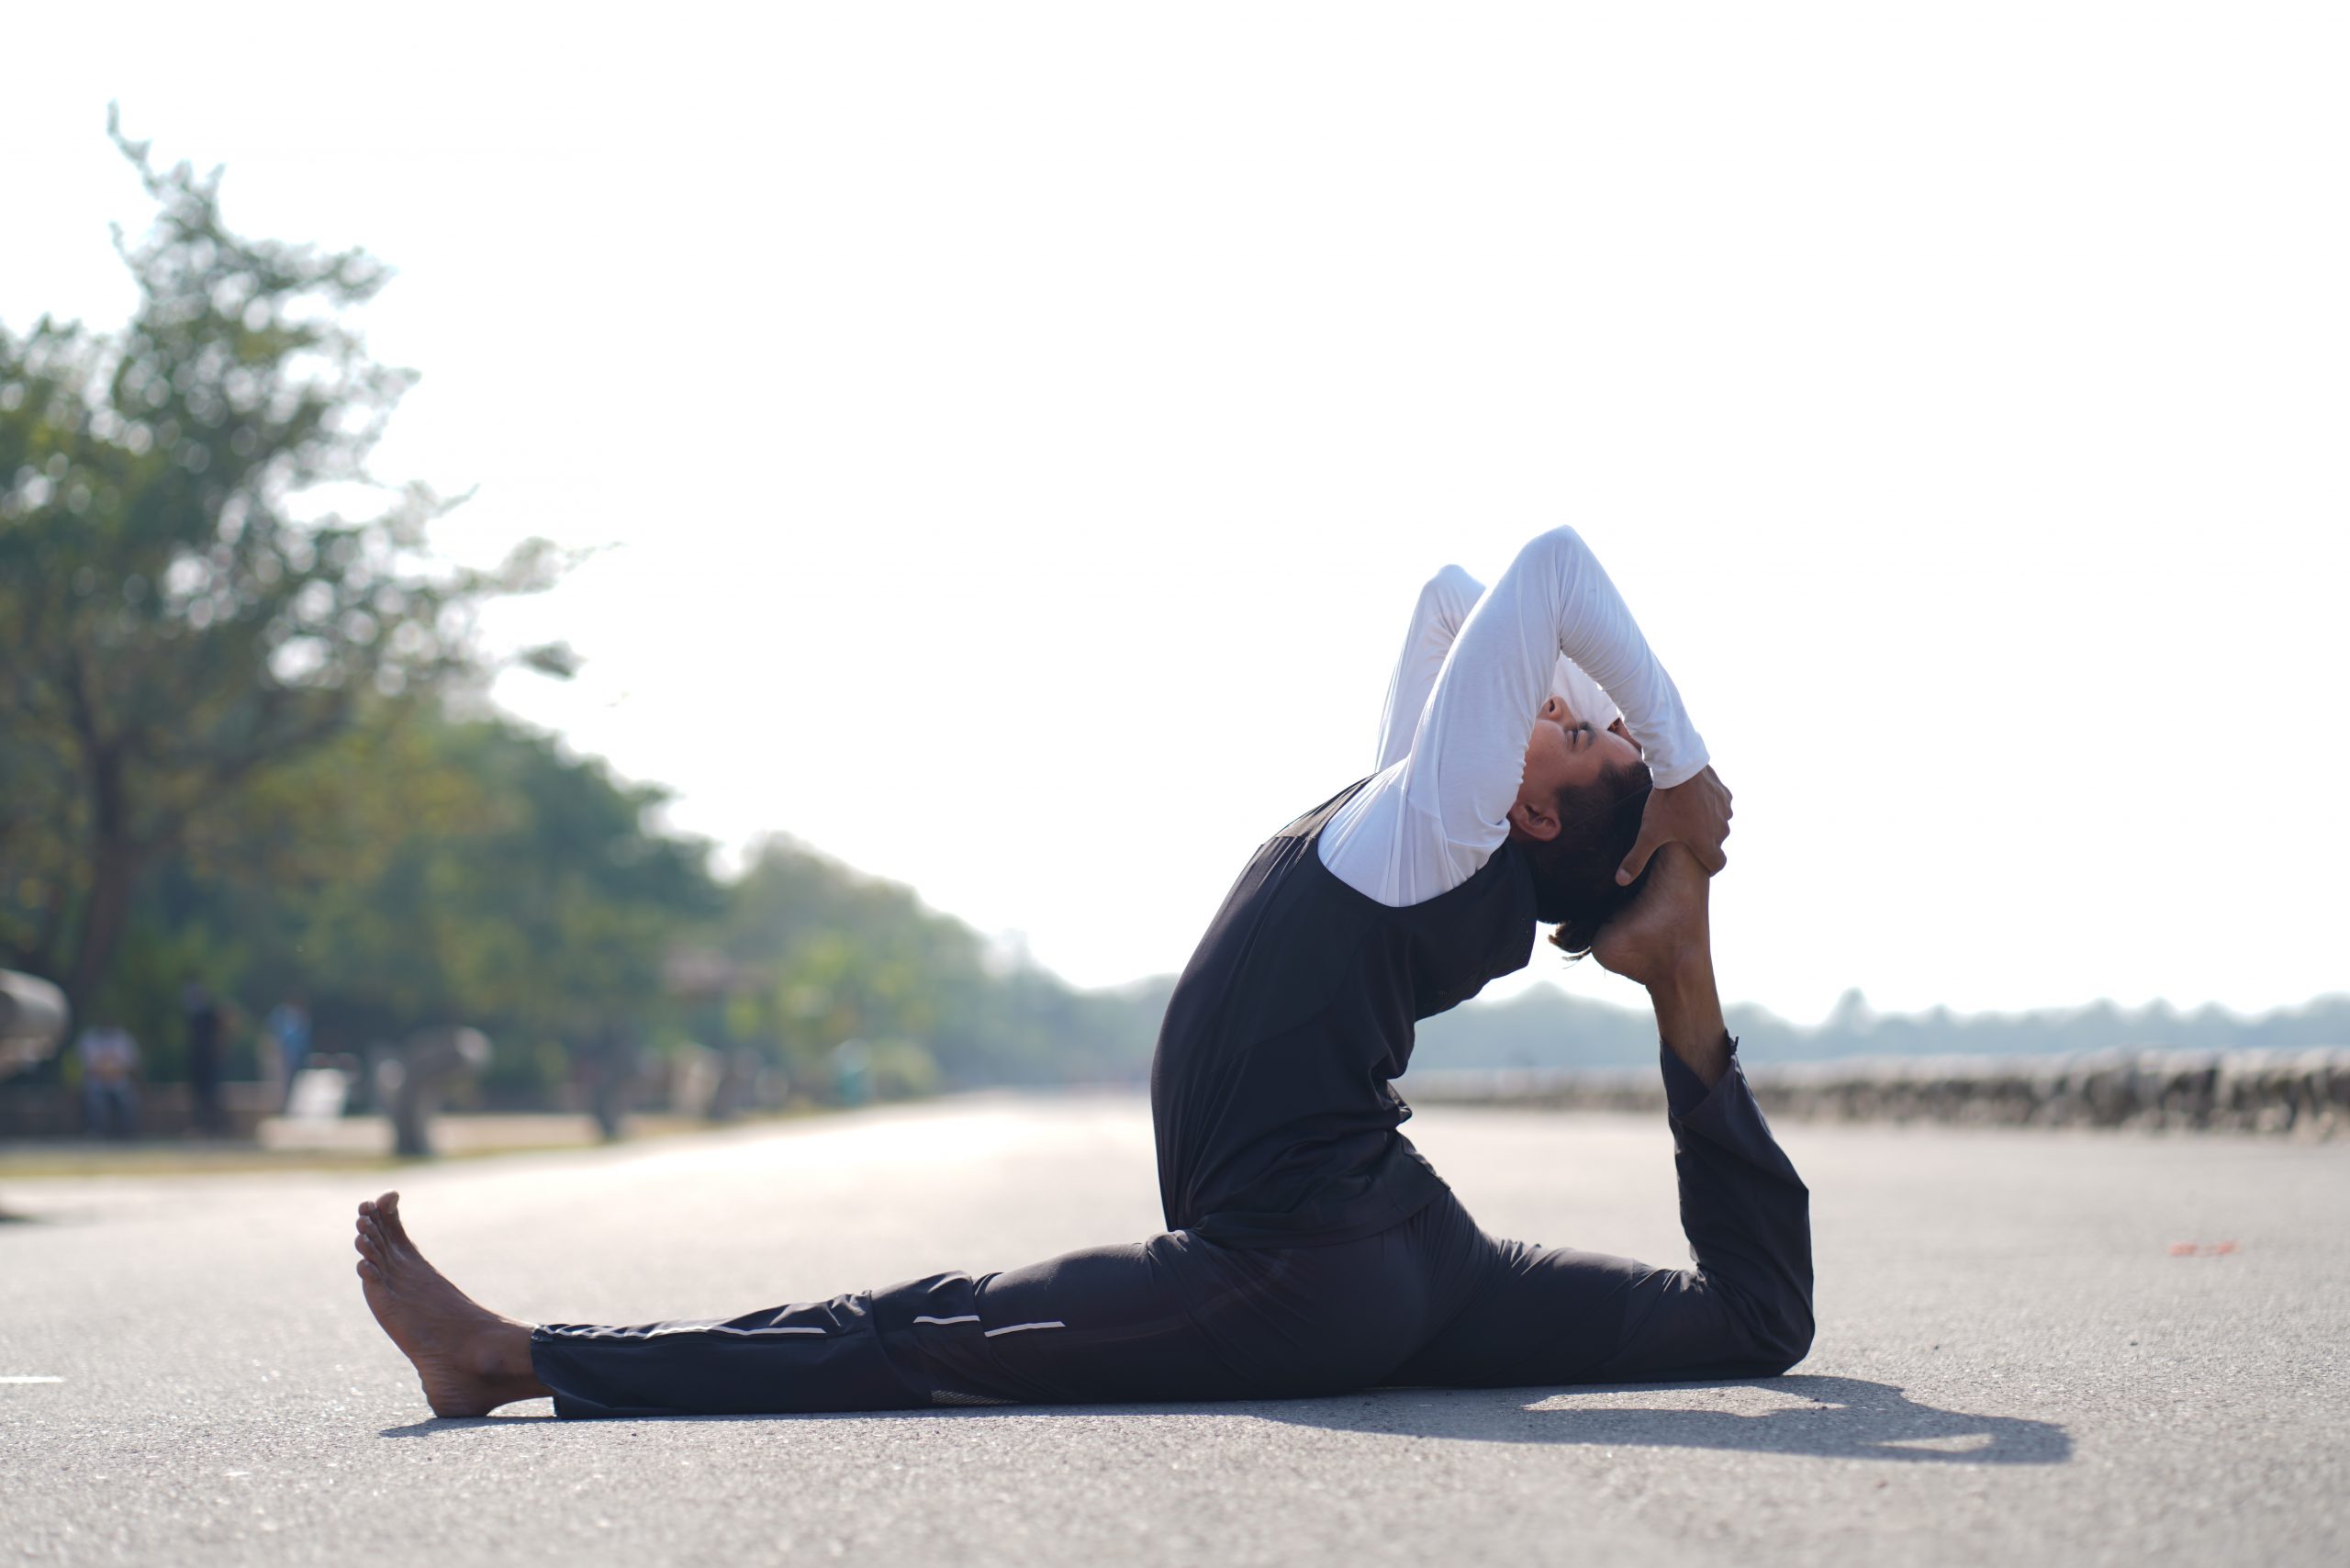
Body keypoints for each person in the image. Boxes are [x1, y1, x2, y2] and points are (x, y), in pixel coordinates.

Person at [352, 525, 1813, 1419]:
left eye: (1582, 731)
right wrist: (1656, 805)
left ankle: (517, 1359)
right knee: (1749, 1327)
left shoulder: (1440, 832)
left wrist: (1681, 778)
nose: (1573, 700)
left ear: (1532, 808)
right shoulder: (1422, 816)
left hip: (1301, 1275)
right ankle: (1677, 981)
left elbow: (1549, 568)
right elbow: (1457, 593)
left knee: (906, 1337)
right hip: (1405, 1255)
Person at [77, 1019, 140, 1139]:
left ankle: (128, 1135)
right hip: (96, 1082)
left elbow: (130, 1065)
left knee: (128, 1101)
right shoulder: (89, 1038)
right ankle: (97, 1133)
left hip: (120, 1082)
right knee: (95, 1101)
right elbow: (88, 1067)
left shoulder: (123, 1037)